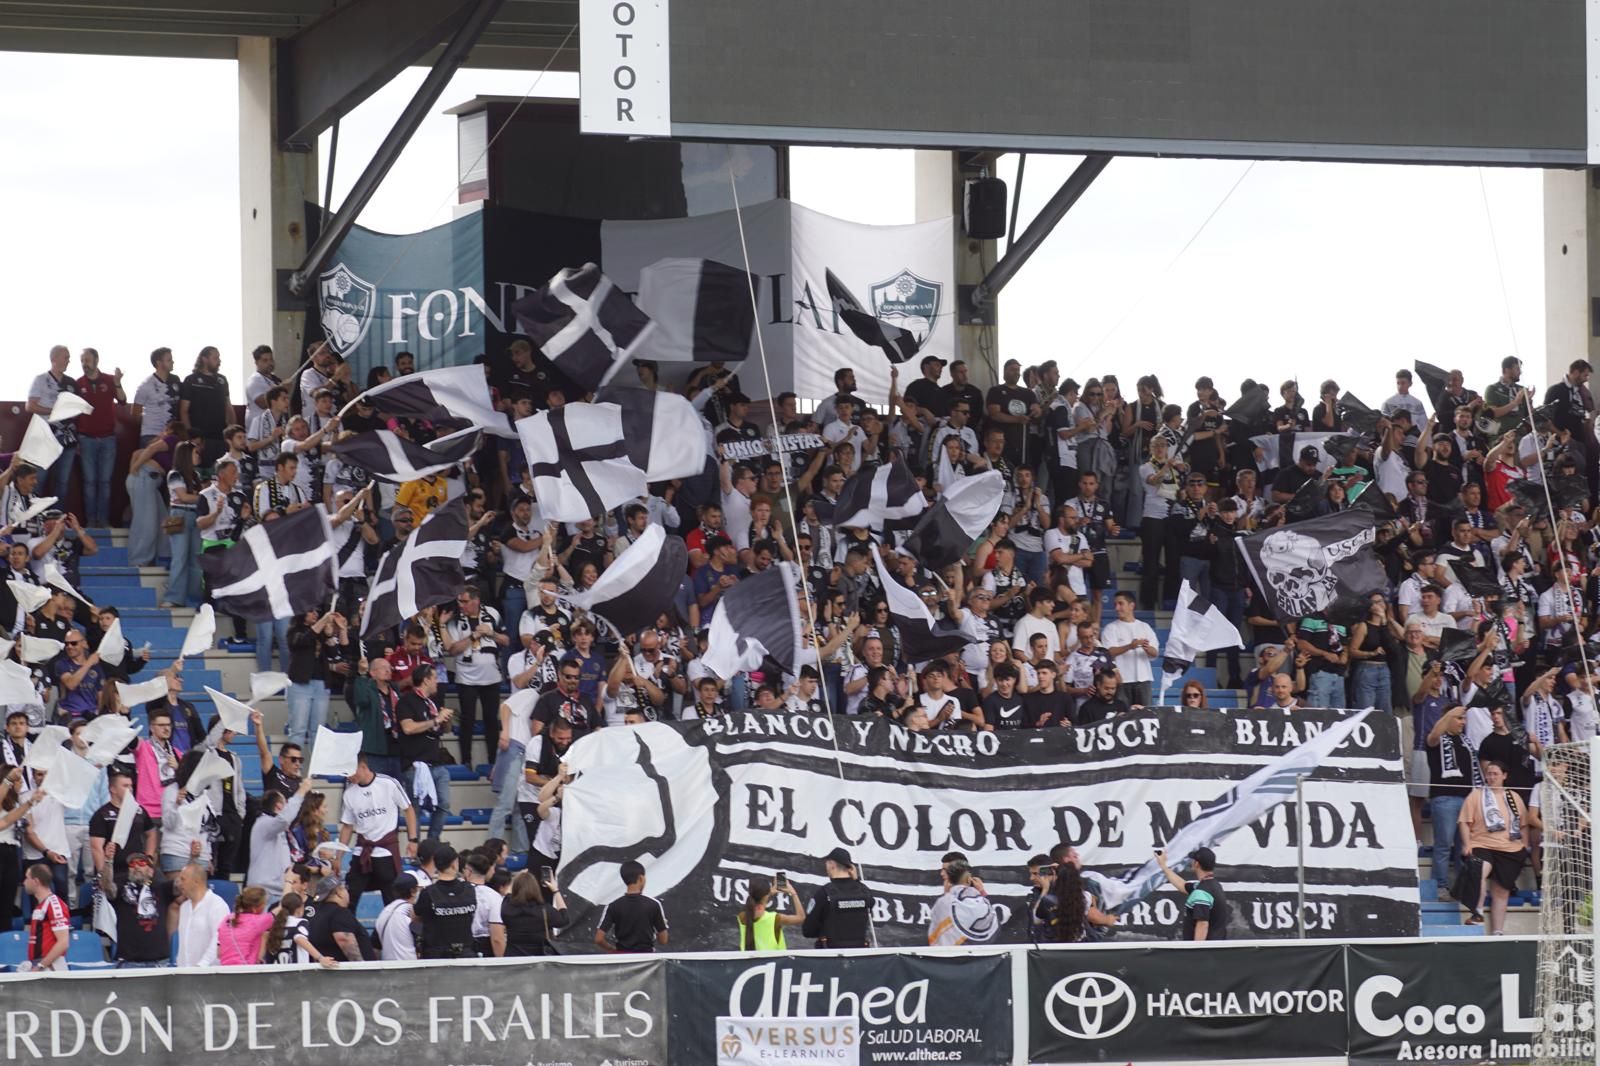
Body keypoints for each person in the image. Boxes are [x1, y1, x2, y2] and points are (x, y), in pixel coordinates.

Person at [1458, 758, 1542, 933]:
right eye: (1489, 774)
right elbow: (1464, 822)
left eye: (1495, 774)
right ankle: (1477, 912)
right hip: (1482, 843)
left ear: (1504, 776)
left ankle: (1498, 931)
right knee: (1479, 869)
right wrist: (1466, 844)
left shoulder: (1514, 796)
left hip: (1510, 848)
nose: (1491, 777)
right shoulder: (1476, 795)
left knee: (1501, 891)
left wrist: (1524, 845)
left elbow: (1524, 824)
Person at [336, 755, 419, 909]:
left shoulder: (388, 783)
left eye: (350, 772)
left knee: (392, 899)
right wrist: (339, 857)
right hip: (363, 850)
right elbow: (347, 826)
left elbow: (408, 810)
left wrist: (413, 840)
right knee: (350, 897)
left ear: (362, 766)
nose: (349, 777)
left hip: (385, 850)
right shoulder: (349, 793)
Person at [445, 584, 510, 766]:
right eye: (459, 601)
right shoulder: (455, 620)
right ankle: (466, 761)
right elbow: (453, 649)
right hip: (466, 678)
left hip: (491, 677)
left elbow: (506, 640)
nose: (461, 605)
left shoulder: (492, 614)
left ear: (476, 601)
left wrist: (492, 633)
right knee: (467, 720)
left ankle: (493, 763)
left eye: (465, 601)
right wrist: (473, 636)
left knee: (491, 720)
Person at [394, 664, 454, 839]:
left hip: (436, 762)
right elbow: (408, 728)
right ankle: (417, 849)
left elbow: (444, 730)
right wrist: (435, 721)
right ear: (426, 680)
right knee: (415, 808)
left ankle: (431, 844)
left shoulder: (432, 703)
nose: (437, 682)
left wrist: (445, 720)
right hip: (415, 764)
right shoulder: (406, 701)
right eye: (435, 678)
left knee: (444, 804)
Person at [98, 848, 171, 966]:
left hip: (159, 962)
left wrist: (193, 859)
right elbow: (106, 886)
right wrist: (108, 861)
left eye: (141, 863)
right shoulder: (122, 890)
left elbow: (183, 884)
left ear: (151, 871)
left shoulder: (161, 888)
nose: (136, 866)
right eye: (132, 864)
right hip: (129, 963)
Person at [801, 847, 874, 949]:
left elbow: (808, 930)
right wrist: (856, 880)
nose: (826, 866)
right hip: (859, 954)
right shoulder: (864, 892)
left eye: (827, 863)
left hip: (831, 956)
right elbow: (870, 905)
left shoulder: (824, 893)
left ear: (832, 864)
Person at [415, 845, 477, 959]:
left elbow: (416, 917)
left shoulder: (427, 893)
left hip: (436, 957)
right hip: (464, 955)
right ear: (455, 863)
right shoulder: (469, 890)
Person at [595, 859, 669, 953]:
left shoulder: (613, 906)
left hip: (623, 959)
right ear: (641, 878)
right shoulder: (653, 905)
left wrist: (613, 950)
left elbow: (599, 939)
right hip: (647, 959)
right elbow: (663, 940)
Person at [1156, 847, 1229, 941]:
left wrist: (1196, 951)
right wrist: (1163, 866)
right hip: (1215, 949)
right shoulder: (1213, 885)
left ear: (1197, 864)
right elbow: (1183, 885)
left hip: (1205, 953)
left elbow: (1202, 925)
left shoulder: (1201, 892)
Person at [928, 857, 1000, 946]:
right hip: (982, 958)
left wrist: (947, 894)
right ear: (969, 879)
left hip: (947, 957)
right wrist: (982, 892)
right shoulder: (984, 903)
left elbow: (937, 934)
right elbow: (995, 922)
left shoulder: (944, 902)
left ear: (949, 879)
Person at [306, 876, 377, 961]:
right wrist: (360, 967)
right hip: (348, 972)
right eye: (345, 888)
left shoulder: (316, 915)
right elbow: (344, 939)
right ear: (338, 892)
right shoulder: (339, 913)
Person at [175, 861, 231, 967]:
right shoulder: (184, 908)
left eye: (183, 879)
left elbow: (219, 939)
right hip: (185, 974)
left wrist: (202, 965)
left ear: (196, 881)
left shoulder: (217, 905)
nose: (179, 884)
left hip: (208, 974)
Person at [734, 874, 807, 951]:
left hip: (751, 962)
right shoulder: (774, 918)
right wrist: (793, 893)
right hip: (776, 961)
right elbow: (801, 917)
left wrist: (769, 894)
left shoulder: (742, 917)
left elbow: (758, 905)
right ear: (766, 896)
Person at [216, 886, 275, 966]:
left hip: (224, 969)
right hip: (246, 971)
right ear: (254, 908)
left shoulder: (227, 918)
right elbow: (282, 907)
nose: (265, 906)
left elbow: (219, 952)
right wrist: (288, 882)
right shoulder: (258, 921)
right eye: (264, 904)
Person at [375, 873, 420, 961]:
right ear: (413, 891)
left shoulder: (384, 912)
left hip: (388, 968)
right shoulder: (410, 911)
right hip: (411, 968)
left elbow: (375, 946)